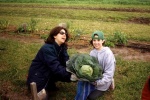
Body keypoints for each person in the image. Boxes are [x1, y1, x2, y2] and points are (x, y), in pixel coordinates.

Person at [26, 26, 77, 94]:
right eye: (61, 33)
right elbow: (56, 67)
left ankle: (50, 84)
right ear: (54, 35)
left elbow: (67, 62)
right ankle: (45, 86)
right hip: (38, 77)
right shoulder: (47, 48)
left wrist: (76, 71)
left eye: (65, 33)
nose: (64, 35)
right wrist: (70, 76)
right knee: (42, 95)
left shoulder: (62, 47)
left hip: (48, 73)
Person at [75, 31, 116, 100]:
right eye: (94, 40)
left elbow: (109, 73)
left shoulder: (108, 54)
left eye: (98, 40)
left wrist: (97, 83)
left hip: (103, 80)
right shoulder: (92, 52)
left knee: (91, 97)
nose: (96, 42)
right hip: (94, 78)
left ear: (103, 41)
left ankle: (110, 82)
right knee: (82, 84)